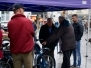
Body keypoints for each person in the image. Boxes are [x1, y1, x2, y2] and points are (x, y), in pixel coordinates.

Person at [8, 4, 34, 68]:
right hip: (26, 52)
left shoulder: (10, 23)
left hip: (15, 52)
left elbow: (10, 36)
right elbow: (32, 33)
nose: (23, 10)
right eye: (23, 9)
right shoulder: (28, 21)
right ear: (20, 10)